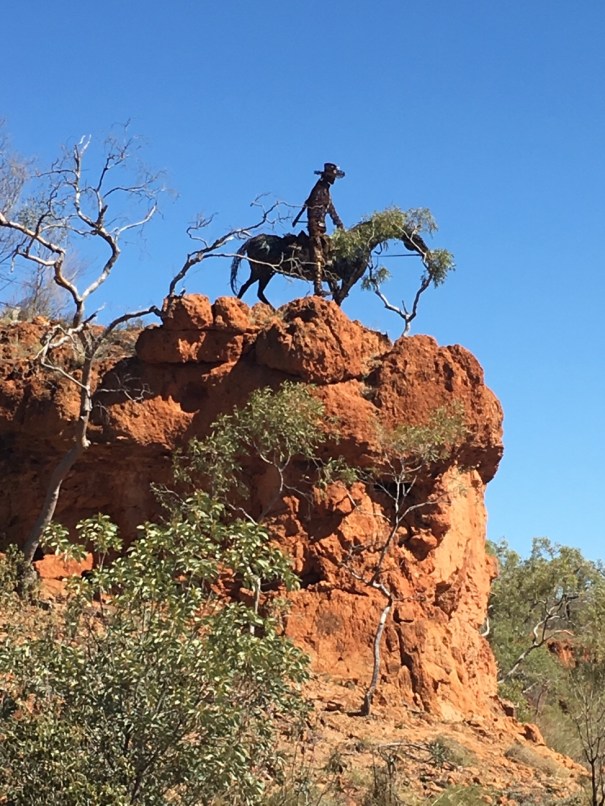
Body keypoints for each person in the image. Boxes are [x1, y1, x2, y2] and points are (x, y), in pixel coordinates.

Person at [292, 162, 345, 295]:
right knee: (317, 251)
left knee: (331, 250)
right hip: (315, 226)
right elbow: (313, 209)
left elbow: (331, 209)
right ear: (327, 176)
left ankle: (332, 282)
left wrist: (339, 224)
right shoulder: (318, 190)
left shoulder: (326, 191)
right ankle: (318, 287)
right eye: (332, 176)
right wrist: (315, 225)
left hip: (321, 227)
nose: (334, 179)